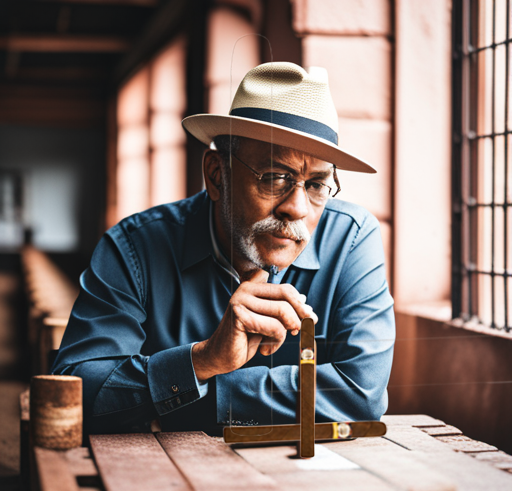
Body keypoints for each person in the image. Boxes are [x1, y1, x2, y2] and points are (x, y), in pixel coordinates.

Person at [52, 62, 395, 436]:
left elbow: (362, 395)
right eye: (274, 177)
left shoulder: (350, 240)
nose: (296, 208)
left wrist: (186, 398)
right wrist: (203, 359)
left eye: (315, 185)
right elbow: (76, 394)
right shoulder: (134, 247)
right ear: (217, 175)